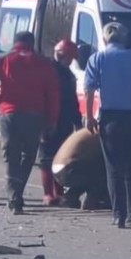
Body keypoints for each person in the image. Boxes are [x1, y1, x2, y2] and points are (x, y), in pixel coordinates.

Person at [84, 22, 131, 229]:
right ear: (125, 39)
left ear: (105, 38)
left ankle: (119, 214)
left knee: (113, 168)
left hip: (110, 117)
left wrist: (89, 116)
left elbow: (89, 89)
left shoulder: (97, 58)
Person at [0, 31, 60, 214]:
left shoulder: (4, 60)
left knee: (11, 156)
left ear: (15, 43)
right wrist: (52, 120)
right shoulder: (43, 64)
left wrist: (1, 101)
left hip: (9, 115)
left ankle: (14, 197)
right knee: (28, 156)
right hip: (35, 116)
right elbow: (53, 95)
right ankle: (17, 193)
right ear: (31, 43)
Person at [39, 40, 83, 206]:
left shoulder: (67, 75)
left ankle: (59, 192)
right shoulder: (47, 71)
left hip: (64, 120)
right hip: (48, 119)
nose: (71, 62)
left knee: (60, 157)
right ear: (61, 54)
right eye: (69, 58)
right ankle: (48, 194)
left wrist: (77, 122)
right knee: (46, 158)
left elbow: (72, 101)